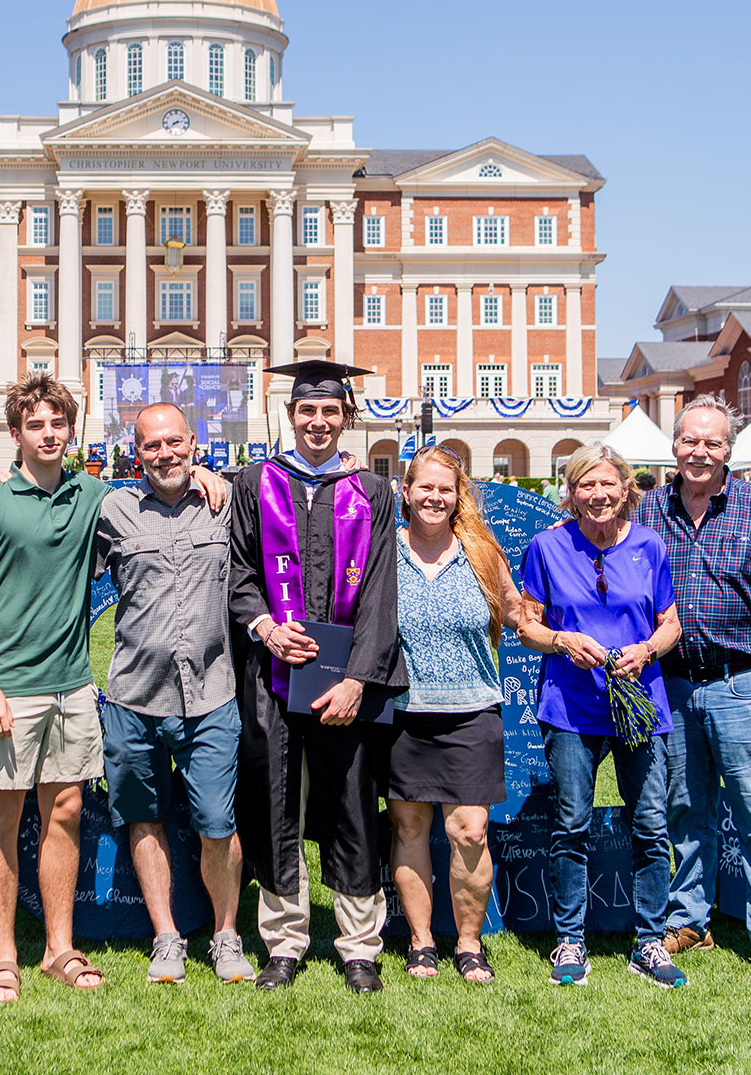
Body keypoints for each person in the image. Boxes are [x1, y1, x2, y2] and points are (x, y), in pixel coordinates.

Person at [229, 359, 406, 995]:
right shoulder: (256, 482)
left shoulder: (374, 494)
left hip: (345, 685)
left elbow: (383, 592)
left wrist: (360, 679)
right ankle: (284, 940)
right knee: (278, 800)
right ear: (291, 414)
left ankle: (360, 944)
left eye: (330, 411)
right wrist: (264, 628)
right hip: (274, 677)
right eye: (308, 410)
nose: (318, 422)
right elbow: (242, 572)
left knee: (354, 804)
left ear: (345, 417)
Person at [637, 394, 751, 987]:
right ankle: (690, 919)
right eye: (690, 440)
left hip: (745, 685)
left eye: (712, 443)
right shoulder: (647, 512)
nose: (699, 452)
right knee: (684, 810)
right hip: (672, 685)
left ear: (728, 450)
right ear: (674, 445)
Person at [0, 373, 118, 1004]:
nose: (49, 434)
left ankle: (59, 948)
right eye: (36, 425)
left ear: (70, 430)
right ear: (16, 432)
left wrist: (211, 478)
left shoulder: (93, 495)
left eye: (58, 424)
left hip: (72, 685)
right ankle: (1, 957)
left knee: (66, 814)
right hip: (9, 688)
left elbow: (157, 492)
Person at [93, 403, 253, 985]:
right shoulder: (111, 509)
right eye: (151, 445)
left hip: (212, 693)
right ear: (136, 451)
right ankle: (166, 936)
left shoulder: (229, 501)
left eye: (173, 443)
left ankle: (227, 933)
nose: (164, 455)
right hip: (135, 695)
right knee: (145, 818)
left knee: (217, 820)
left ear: (193, 442)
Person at [518, 443, 685, 989]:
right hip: (571, 706)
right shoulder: (546, 547)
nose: (598, 495)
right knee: (571, 824)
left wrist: (648, 651)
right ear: (571, 493)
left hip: (640, 705)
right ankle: (571, 942)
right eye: (586, 485)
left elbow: (670, 623)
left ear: (626, 490)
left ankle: (651, 943)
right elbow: (528, 626)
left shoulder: (650, 545)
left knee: (651, 824)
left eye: (607, 484)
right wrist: (561, 639)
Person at [387, 445, 524, 985]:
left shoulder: (482, 552)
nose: (435, 497)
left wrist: (559, 634)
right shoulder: (382, 550)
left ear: (458, 493)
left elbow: (519, 615)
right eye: (425, 487)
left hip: (472, 711)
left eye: (446, 488)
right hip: (402, 709)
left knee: (469, 830)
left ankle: (468, 944)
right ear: (406, 490)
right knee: (410, 825)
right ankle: (421, 944)